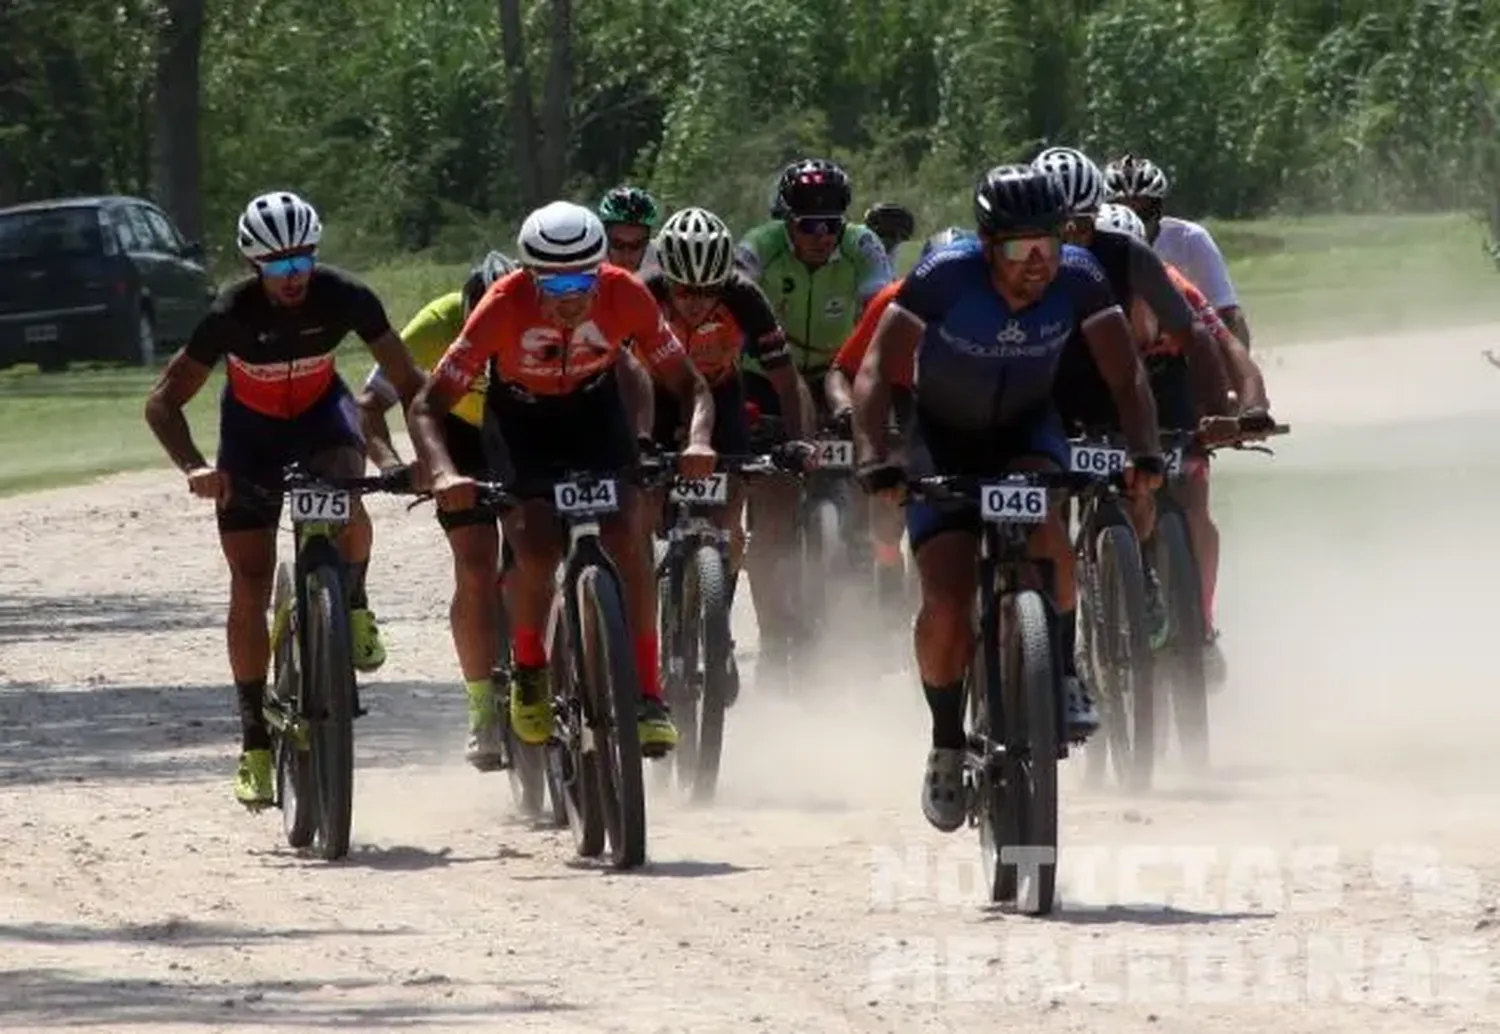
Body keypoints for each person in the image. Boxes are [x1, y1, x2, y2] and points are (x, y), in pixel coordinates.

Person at [850, 165, 1164, 833]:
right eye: (1021, 250)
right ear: (988, 245)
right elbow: (876, 370)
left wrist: (1145, 452)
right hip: (943, 441)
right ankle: (944, 739)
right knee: (945, 599)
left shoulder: (1080, 278)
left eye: (1048, 247)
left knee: (1048, 530)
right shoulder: (944, 274)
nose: (1038, 265)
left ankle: (1065, 663)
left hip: (1026, 428)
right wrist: (876, 460)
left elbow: (1125, 373)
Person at [143, 190, 425, 807]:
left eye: (302, 263)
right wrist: (196, 467)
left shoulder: (346, 296)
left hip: (324, 420)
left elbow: (409, 382)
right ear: (254, 267)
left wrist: (422, 461)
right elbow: (162, 401)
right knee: (248, 582)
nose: (293, 278)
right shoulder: (228, 314)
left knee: (350, 495)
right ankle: (253, 744)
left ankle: (352, 601)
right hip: (250, 437)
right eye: (278, 267)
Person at [407, 201, 718, 759]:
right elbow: (428, 406)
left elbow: (691, 385)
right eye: (555, 283)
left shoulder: (626, 293)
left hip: (594, 412)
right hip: (521, 421)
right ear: (529, 275)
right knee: (535, 543)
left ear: (602, 268)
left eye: (583, 279)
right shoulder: (501, 306)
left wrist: (697, 440)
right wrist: (446, 471)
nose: (571, 296)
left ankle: (648, 694)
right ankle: (529, 668)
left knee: (630, 538)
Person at [1035, 146, 1235, 644]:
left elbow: (1196, 335)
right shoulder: (1016, 257)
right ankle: (1051, 632)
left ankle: (1141, 569)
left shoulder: (1131, 256)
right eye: (1060, 224)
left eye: (1082, 223)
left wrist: (1215, 412)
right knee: (1046, 504)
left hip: (1122, 381)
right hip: (1047, 387)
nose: (1071, 235)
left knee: (1141, 480)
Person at [1094, 201, 1275, 681]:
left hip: (1169, 382)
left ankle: (1202, 623)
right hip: (1100, 390)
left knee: (1193, 499)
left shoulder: (1179, 291)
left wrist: (1246, 410)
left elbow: (1232, 353)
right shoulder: (1075, 293)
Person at [355, 250, 517, 769]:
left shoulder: (532, 313)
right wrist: (393, 464)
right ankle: (481, 711)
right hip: (458, 435)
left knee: (537, 559)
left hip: (522, 430)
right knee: (474, 566)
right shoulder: (436, 322)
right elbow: (367, 406)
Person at [734, 158, 895, 680]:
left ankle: (870, 599)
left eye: (832, 224)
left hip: (838, 371)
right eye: (808, 225)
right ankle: (773, 634)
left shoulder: (864, 246)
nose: (822, 236)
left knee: (871, 473)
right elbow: (734, 307)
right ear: (788, 222)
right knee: (774, 513)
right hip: (767, 374)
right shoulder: (759, 246)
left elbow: (881, 318)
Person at [826, 227, 974, 603]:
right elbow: (843, 369)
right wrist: (847, 410)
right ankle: (889, 566)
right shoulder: (895, 299)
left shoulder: (996, 300)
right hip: (901, 393)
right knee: (892, 482)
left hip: (965, 400)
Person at [1103, 154, 1254, 349]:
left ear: (1158, 209)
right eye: (1122, 208)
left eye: (1142, 208)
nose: (1133, 218)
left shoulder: (1190, 239)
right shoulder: (1091, 246)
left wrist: (1240, 372)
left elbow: (1228, 313)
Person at [598, 185, 663, 277]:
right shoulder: (586, 265)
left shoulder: (663, 264)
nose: (626, 256)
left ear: (648, 242)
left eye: (636, 245)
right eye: (617, 244)